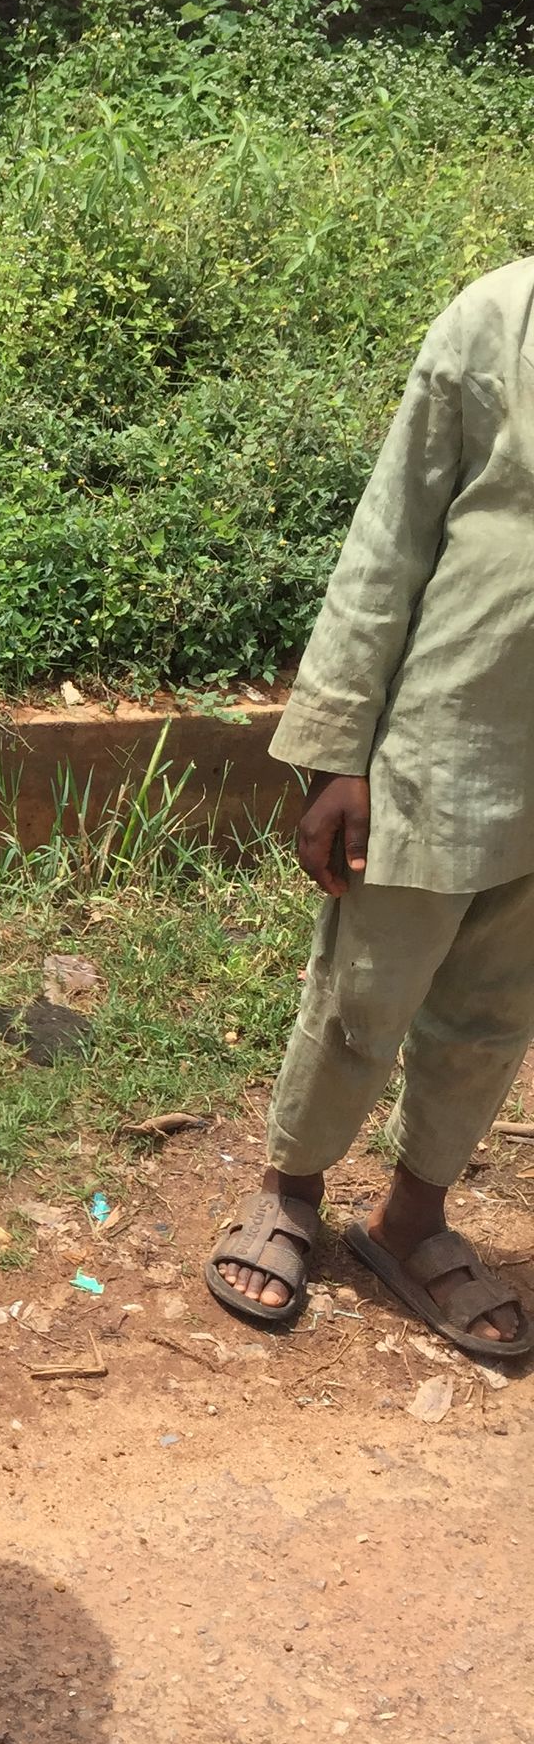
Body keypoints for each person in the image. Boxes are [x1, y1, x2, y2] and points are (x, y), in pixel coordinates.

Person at [208, 256, 534, 1358]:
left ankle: (412, 1219)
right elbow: (388, 539)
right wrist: (337, 750)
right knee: (364, 991)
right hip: (446, 743)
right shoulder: (496, 320)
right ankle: (290, 1190)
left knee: (496, 1012)